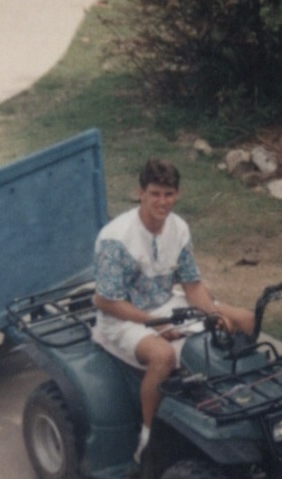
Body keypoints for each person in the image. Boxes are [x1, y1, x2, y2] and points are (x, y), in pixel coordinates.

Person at [93, 159, 254, 462]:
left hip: (168, 305)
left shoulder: (179, 228)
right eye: (155, 194)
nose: (162, 202)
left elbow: (192, 285)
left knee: (243, 320)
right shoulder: (116, 238)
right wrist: (155, 324)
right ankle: (148, 437)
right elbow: (105, 301)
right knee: (163, 356)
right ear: (140, 193)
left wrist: (212, 314)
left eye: (168, 194)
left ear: (177, 194)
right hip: (123, 318)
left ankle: (243, 402)